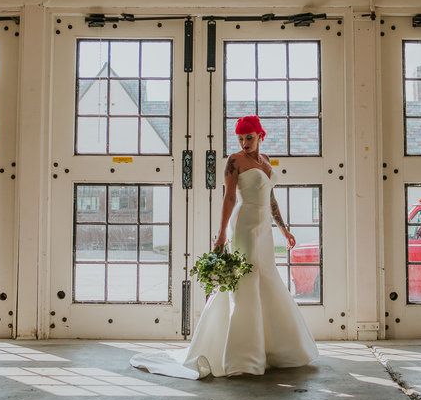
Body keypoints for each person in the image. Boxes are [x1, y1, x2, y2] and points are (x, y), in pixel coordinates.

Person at [130, 115, 319, 378]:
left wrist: (284, 229)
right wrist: (220, 234)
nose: (244, 143)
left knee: (266, 278)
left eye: (249, 138)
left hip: (264, 227)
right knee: (245, 281)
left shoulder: (265, 161)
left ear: (260, 135)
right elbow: (229, 197)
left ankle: (270, 349)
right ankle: (242, 356)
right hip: (244, 225)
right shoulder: (234, 161)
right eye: (240, 139)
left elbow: (271, 197)